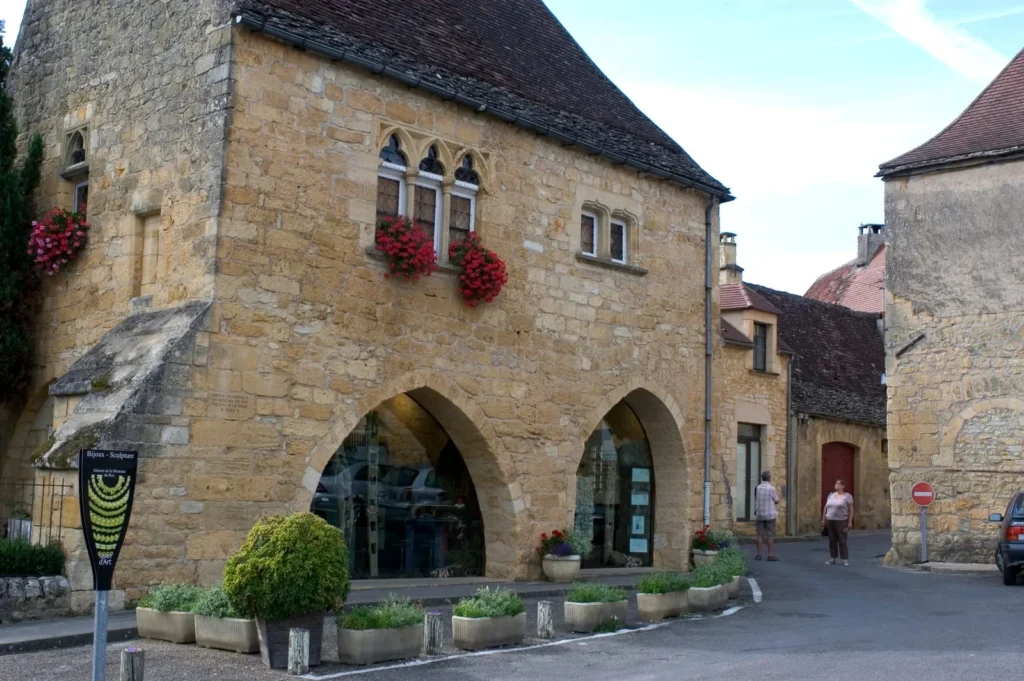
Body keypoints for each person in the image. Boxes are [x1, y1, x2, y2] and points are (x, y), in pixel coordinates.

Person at [822, 479, 854, 566]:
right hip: (830, 520)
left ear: (843, 486)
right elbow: (826, 507)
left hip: (841, 521)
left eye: (838, 484)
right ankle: (832, 558)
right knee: (832, 540)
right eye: (836, 483)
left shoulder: (847, 496)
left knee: (842, 540)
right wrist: (823, 519)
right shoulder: (831, 495)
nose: (836, 485)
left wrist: (850, 522)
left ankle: (845, 559)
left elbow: (851, 510)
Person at [754, 470, 780, 561]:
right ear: (769, 478)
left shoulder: (757, 488)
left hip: (760, 514)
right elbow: (776, 500)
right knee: (770, 536)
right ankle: (770, 555)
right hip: (769, 515)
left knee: (759, 535)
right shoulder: (771, 488)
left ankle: (758, 554)